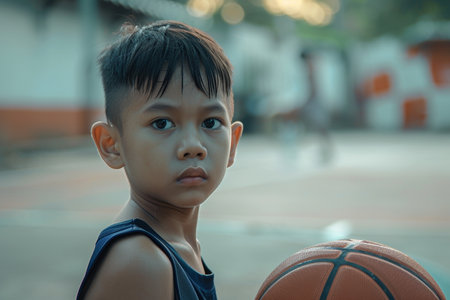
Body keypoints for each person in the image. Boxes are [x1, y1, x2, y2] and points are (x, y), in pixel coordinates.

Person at [77, 20, 243, 300]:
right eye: (162, 123)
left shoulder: (180, 249)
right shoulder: (141, 261)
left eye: (211, 122)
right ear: (111, 145)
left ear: (233, 143)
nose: (193, 147)